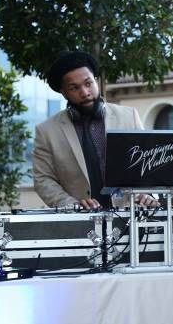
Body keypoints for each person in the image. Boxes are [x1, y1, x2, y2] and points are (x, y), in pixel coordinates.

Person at [33, 51, 155, 209]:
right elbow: (43, 179)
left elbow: (146, 164)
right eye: (74, 88)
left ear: (96, 81)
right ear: (63, 93)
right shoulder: (46, 131)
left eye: (88, 83)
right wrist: (71, 205)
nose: (84, 92)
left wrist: (146, 193)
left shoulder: (129, 116)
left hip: (128, 216)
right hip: (80, 224)